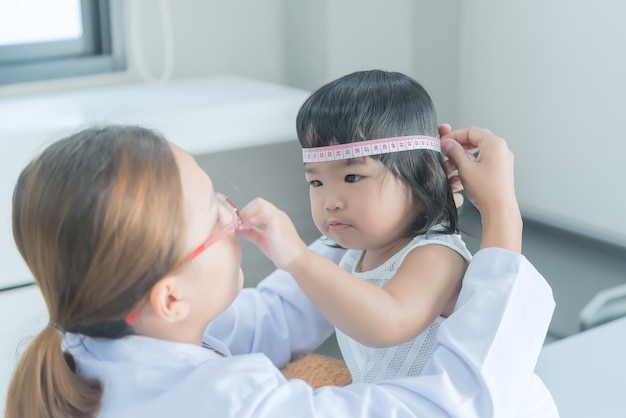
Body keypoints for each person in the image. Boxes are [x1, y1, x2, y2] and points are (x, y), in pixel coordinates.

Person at [6, 124, 557, 418]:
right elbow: (454, 406)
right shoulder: (233, 406)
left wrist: (368, 229)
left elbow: (273, 316)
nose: (234, 211)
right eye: (214, 211)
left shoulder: (100, 340)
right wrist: (503, 217)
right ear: (171, 297)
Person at [259, 70, 473, 383]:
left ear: (425, 175)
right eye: (316, 181)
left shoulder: (437, 254)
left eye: (352, 177)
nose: (330, 201)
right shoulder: (356, 253)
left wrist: (298, 260)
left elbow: (390, 321)